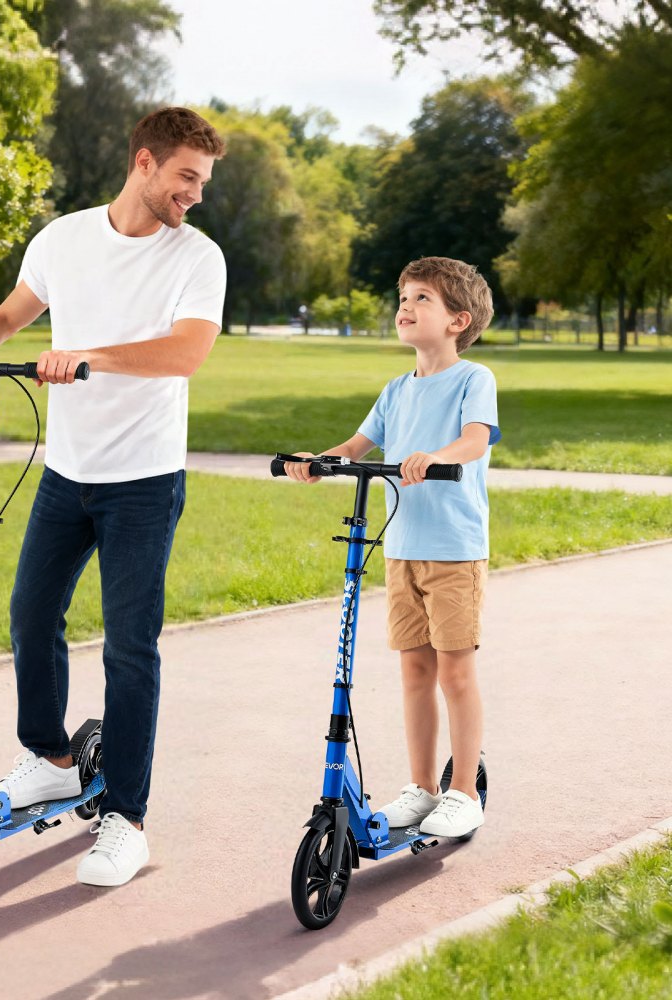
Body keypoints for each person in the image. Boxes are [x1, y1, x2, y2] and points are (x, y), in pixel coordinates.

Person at [0, 107, 226, 886]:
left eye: (203, 181)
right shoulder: (64, 238)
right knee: (29, 613)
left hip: (146, 480)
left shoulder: (198, 256)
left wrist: (89, 353)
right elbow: (10, 315)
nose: (195, 194)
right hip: (68, 470)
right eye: (187, 176)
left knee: (129, 646)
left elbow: (187, 353)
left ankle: (126, 818)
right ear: (146, 163)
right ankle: (53, 758)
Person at [283, 256, 500, 839]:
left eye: (422, 298)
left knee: (455, 672)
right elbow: (358, 444)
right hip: (402, 548)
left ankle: (461, 793)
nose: (406, 306)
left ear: (458, 319)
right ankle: (423, 787)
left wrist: (436, 456)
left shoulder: (473, 378)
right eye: (403, 296)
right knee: (413, 672)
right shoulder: (396, 389)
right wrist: (318, 462)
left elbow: (475, 441)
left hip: (453, 549)